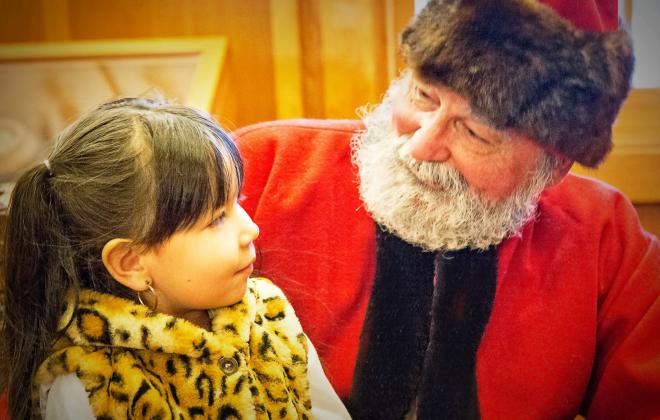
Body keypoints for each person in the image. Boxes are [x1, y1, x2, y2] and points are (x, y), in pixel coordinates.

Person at [233, 0, 660, 418]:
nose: (420, 145)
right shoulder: (257, 170)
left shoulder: (604, 241)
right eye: (424, 96)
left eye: (473, 132)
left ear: (554, 166)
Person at [0, 97, 350, 419]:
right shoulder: (89, 380)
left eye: (238, 203)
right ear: (131, 263)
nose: (251, 230)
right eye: (216, 218)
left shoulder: (270, 315)